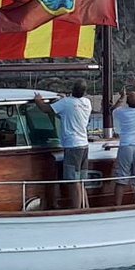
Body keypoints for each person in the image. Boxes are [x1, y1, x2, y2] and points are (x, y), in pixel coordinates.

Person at [33, 80, 93, 209]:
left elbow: (45, 109)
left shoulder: (66, 103)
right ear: (84, 92)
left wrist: (38, 100)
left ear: (72, 89)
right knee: (81, 181)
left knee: (73, 181)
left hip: (72, 146)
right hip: (84, 145)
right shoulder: (87, 103)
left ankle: (77, 210)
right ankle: (85, 207)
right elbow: (70, 111)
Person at [111, 77, 135, 205]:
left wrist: (121, 97)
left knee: (121, 178)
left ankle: (117, 205)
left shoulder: (122, 112)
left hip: (126, 147)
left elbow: (112, 110)